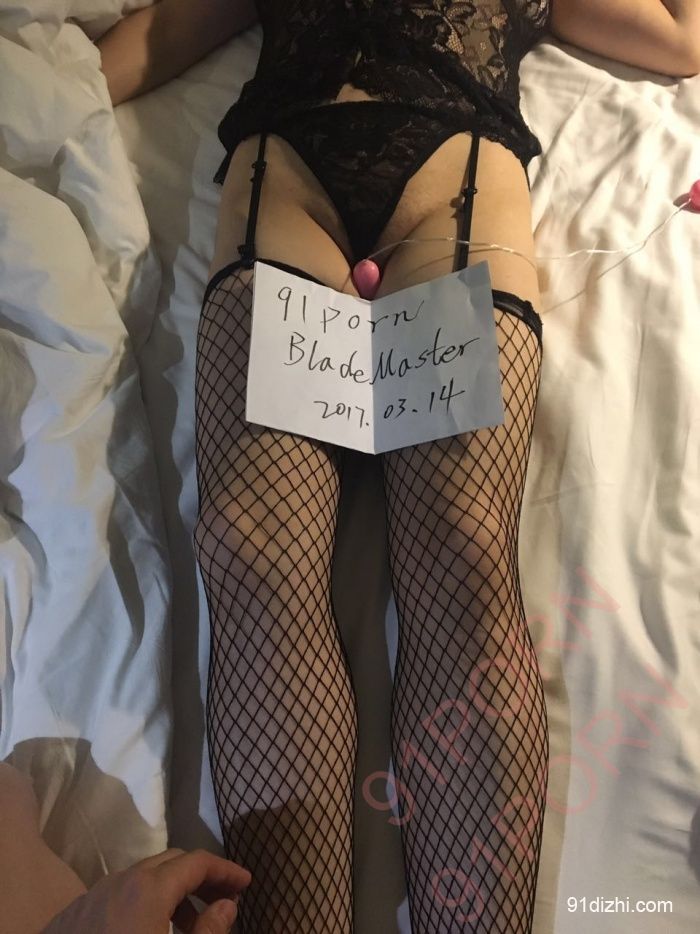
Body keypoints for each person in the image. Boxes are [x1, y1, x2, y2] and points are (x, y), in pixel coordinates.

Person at [3, 2, 696, 933]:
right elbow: (119, 54)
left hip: (455, 194)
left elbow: (682, 39)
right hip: (286, 193)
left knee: (463, 546)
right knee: (250, 549)